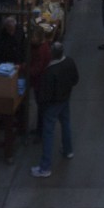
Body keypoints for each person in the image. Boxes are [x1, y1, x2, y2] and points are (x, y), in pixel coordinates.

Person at [30, 41, 79, 177]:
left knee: (48, 132)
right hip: (65, 99)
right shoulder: (69, 62)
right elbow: (75, 80)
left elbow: (44, 94)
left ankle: (45, 167)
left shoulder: (50, 72)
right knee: (66, 123)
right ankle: (68, 150)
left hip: (52, 104)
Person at [24, 26, 53, 142]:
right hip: (38, 82)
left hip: (41, 83)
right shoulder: (39, 47)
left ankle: (41, 133)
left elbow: (37, 69)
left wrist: (24, 69)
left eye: (33, 37)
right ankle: (39, 130)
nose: (31, 39)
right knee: (41, 107)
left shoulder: (41, 50)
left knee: (42, 108)